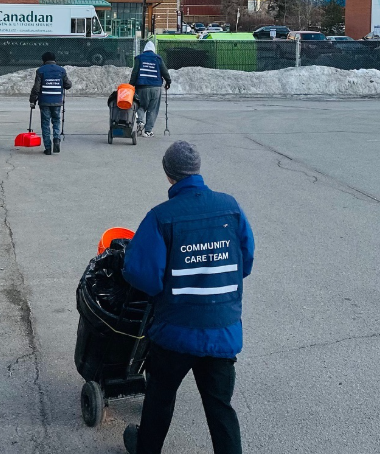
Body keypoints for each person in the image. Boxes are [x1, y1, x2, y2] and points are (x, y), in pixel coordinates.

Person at [121, 141, 254, 454]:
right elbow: (244, 262)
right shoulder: (231, 207)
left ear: (169, 175)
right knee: (220, 407)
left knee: (160, 396)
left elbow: (143, 276)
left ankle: (146, 449)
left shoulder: (161, 217)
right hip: (223, 331)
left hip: (174, 333)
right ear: (197, 170)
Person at [29, 51, 72, 155]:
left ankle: (47, 148)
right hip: (57, 101)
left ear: (44, 60)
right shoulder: (61, 70)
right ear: (54, 59)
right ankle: (56, 139)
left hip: (44, 101)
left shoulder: (40, 70)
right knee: (56, 121)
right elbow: (68, 85)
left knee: (45, 124)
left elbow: (36, 88)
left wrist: (32, 100)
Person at [129, 40, 171, 138]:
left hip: (141, 88)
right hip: (156, 88)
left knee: (140, 106)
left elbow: (134, 73)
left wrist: (131, 85)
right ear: (153, 50)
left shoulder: (139, 58)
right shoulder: (158, 58)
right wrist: (168, 82)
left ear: (144, 49)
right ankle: (148, 131)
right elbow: (165, 72)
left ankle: (140, 122)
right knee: (153, 109)